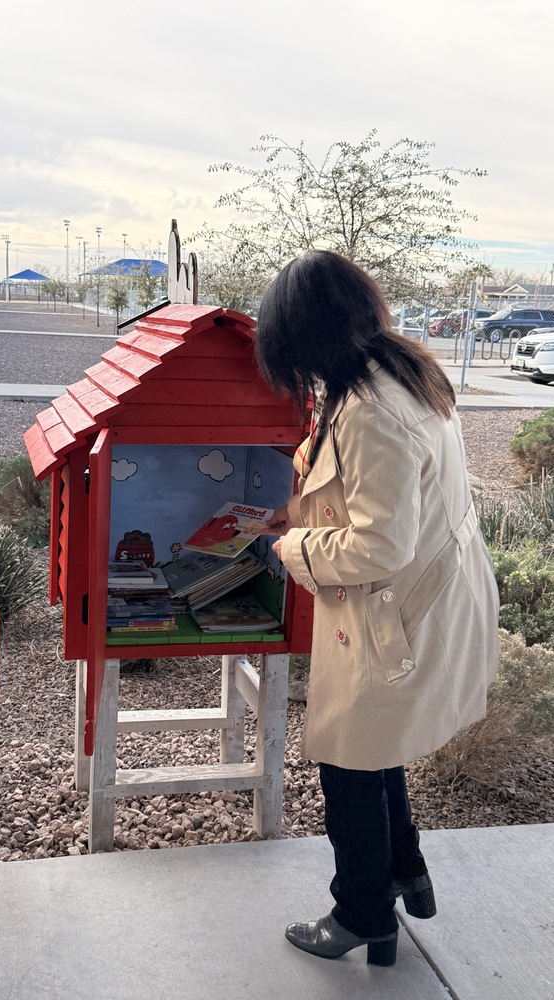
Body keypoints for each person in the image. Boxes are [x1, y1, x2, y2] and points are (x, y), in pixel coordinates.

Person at [257, 251, 499, 967]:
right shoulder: (397, 370)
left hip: (401, 607)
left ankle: (360, 913)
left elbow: (378, 545)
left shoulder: (371, 411)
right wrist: (294, 508)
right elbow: (353, 481)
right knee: (372, 746)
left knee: (348, 762)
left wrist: (289, 549)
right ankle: (405, 872)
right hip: (419, 596)